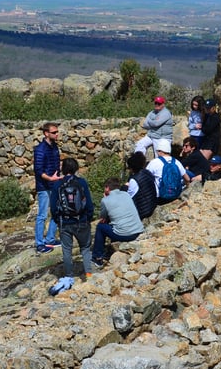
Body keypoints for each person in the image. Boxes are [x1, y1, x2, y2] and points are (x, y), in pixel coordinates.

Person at [48, 157, 94, 295]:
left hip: (65, 222)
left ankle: (69, 276)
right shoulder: (81, 182)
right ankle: (89, 275)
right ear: (76, 169)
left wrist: (58, 220)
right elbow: (89, 203)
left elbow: (53, 206)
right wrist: (88, 218)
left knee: (67, 250)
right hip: (81, 221)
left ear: (63, 169)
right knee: (85, 248)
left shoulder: (58, 185)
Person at [92, 178, 145, 268]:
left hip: (124, 234)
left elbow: (103, 217)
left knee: (100, 227)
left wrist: (105, 199)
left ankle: (97, 258)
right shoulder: (126, 194)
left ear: (107, 188)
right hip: (137, 231)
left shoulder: (105, 200)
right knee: (116, 222)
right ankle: (109, 251)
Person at [33, 122, 63, 253]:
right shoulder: (40, 149)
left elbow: (56, 164)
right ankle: (40, 244)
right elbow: (38, 170)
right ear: (46, 133)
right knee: (42, 215)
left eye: (57, 132)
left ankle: (50, 239)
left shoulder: (54, 147)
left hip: (54, 184)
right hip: (44, 187)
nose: (57, 134)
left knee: (56, 212)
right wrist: (51, 178)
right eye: (54, 132)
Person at [145, 139, 189, 205]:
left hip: (159, 197)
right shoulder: (176, 162)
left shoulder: (154, 162)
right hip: (175, 195)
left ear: (160, 151)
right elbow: (187, 179)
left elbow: (145, 178)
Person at [123, 151, 157, 219]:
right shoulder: (147, 173)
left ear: (132, 168)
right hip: (152, 204)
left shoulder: (134, 180)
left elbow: (129, 198)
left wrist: (124, 188)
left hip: (143, 211)